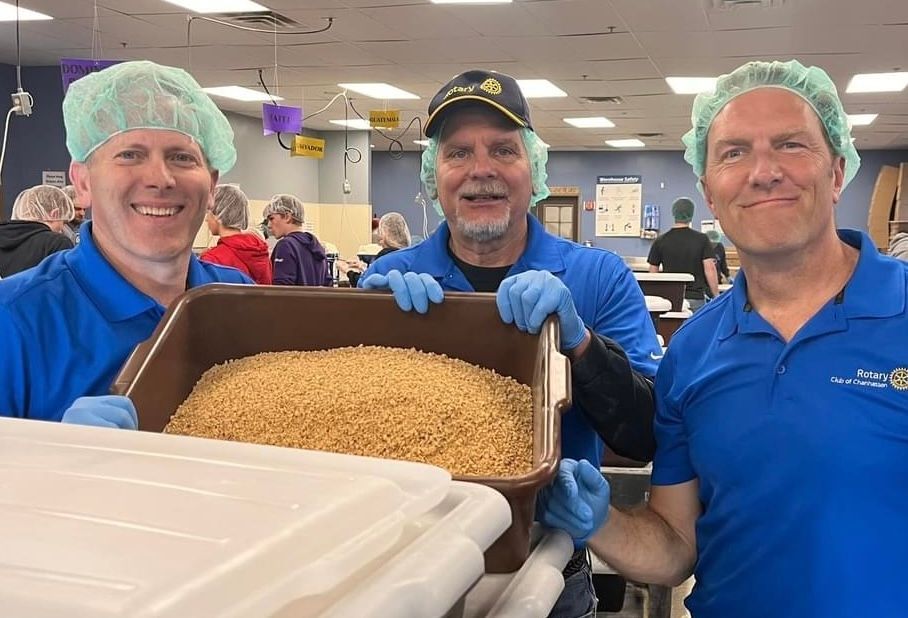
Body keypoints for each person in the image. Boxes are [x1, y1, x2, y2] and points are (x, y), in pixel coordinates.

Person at [538, 59, 908, 618]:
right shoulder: (692, 351)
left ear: (836, 172)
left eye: (790, 144)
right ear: (710, 193)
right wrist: (601, 522)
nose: (763, 172)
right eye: (734, 152)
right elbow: (676, 543)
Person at [360, 68, 663, 617]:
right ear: (434, 176)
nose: (481, 170)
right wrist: (363, 327)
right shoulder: (391, 279)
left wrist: (580, 344)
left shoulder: (598, 278)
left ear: (534, 170)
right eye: (458, 153)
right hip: (404, 573)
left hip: (547, 571)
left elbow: (644, 435)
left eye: (503, 149)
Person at [0, 60, 252, 427]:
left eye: (181, 157)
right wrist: (47, 462)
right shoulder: (15, 322)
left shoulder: (240, 299)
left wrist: (366, 322)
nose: (161, 178)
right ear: (82, 182)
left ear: (212, 184)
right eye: (130, 155)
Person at [647, 197, 719, 310]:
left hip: (671, 298)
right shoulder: (702, 239)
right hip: (695, 299)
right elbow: (710, 268)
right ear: (691, 214)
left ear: (673, 213)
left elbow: (653, 274)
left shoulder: (660, 241)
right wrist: (716, 296)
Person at [200, 184, 272, 284]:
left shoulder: (212, 259)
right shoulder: (261, 252)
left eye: (209, 213)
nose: (206, 219)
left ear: (219, 215)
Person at [0, 184, 74, 277]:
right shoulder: (57, 243)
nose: (63, 227)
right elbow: (66, 286)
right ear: (55, 214)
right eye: (63, 221)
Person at [264, 193, 331, 286]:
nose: (269, 225)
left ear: (287, 216)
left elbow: (281, 291)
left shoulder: (286, 246)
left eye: (271, 218)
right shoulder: (316, 246)